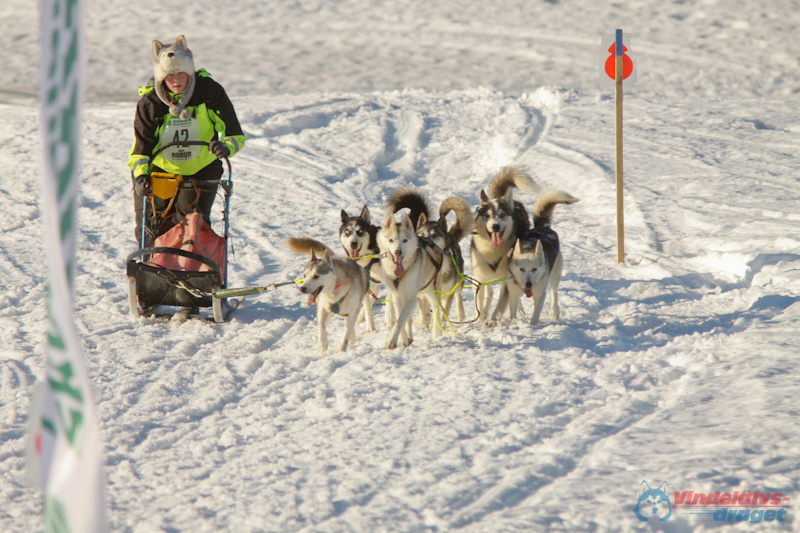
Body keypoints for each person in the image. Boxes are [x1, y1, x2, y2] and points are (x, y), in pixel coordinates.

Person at [128, 35, 245, 245]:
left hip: (201, 169)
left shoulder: (209, 92)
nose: (176, 80)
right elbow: (141, 149)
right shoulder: (150, 102)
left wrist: (225, 147)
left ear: (190, 72)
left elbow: (234, 134)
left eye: (181, 73)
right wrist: (140, 176)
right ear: (161, 77)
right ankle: (150, 271)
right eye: (169, 75)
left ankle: (193, 273)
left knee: (192, 226)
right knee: (151, 229)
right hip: (160, 172)